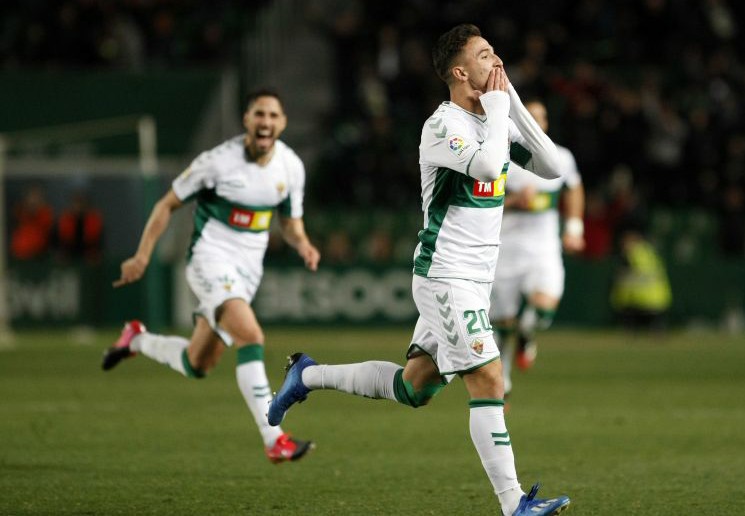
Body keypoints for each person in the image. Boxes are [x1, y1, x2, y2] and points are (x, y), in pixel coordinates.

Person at [268, 24, 570, 516]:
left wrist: (508, 96)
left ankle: (307, 375)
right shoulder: (442, 127)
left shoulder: (492, 119)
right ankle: (514, 505)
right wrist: (497, 109)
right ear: (459, 71)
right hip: (446, 276)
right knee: (490, 380)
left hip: (472, 280)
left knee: (415, 387)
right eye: (485, 55)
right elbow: (492, 168)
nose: (496, 61)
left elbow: (553, 165)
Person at [102, 89, 321, 464]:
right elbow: (166, 204)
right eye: (258, 114)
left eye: (273, 116)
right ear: (246, 121)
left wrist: (303, 245)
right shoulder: (216, 163)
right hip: (209, 260)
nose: (265, 122)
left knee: (197, 363)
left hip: (247, 272)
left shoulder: (291, 167)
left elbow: (290, 223)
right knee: (250, 336)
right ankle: (274, 439)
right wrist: (142, 256)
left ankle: (135, 340)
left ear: (282, 123)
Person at [489, 99, 585, 398]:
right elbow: (478, 203)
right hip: (504, 249)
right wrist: (514, 201)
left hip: (544, 249)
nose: (537, 122)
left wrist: (573, 228)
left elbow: (574, 189)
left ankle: (527, 334)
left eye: (541, 117)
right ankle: (502, 385)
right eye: (530, 117)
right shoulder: (499, 155)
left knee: (543, 308)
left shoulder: (561, 157)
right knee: (501, 324)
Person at [10, 185, 54, 261]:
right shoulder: (19, 210)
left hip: (39, 256)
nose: (34, 199)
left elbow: (46, 228)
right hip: (19, 255)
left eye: (37, 196)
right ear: (26, 197)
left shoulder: (46, 212)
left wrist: (36, 209)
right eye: (32, 195)